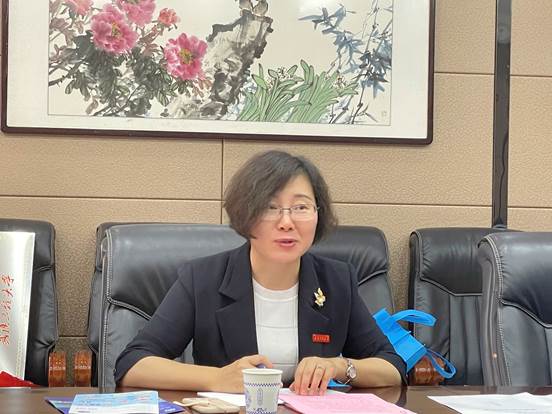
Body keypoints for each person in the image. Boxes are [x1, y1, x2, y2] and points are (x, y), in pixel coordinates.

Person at [115, 150, 405, 394]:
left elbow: (392, 367)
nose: (287, 222)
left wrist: (340, 367)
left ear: (318, 214)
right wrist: (216, 378)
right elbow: (132, 364)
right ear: (246, 214)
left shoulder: (336, 281)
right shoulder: (202, 279)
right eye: (270, 207)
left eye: (301, 207)